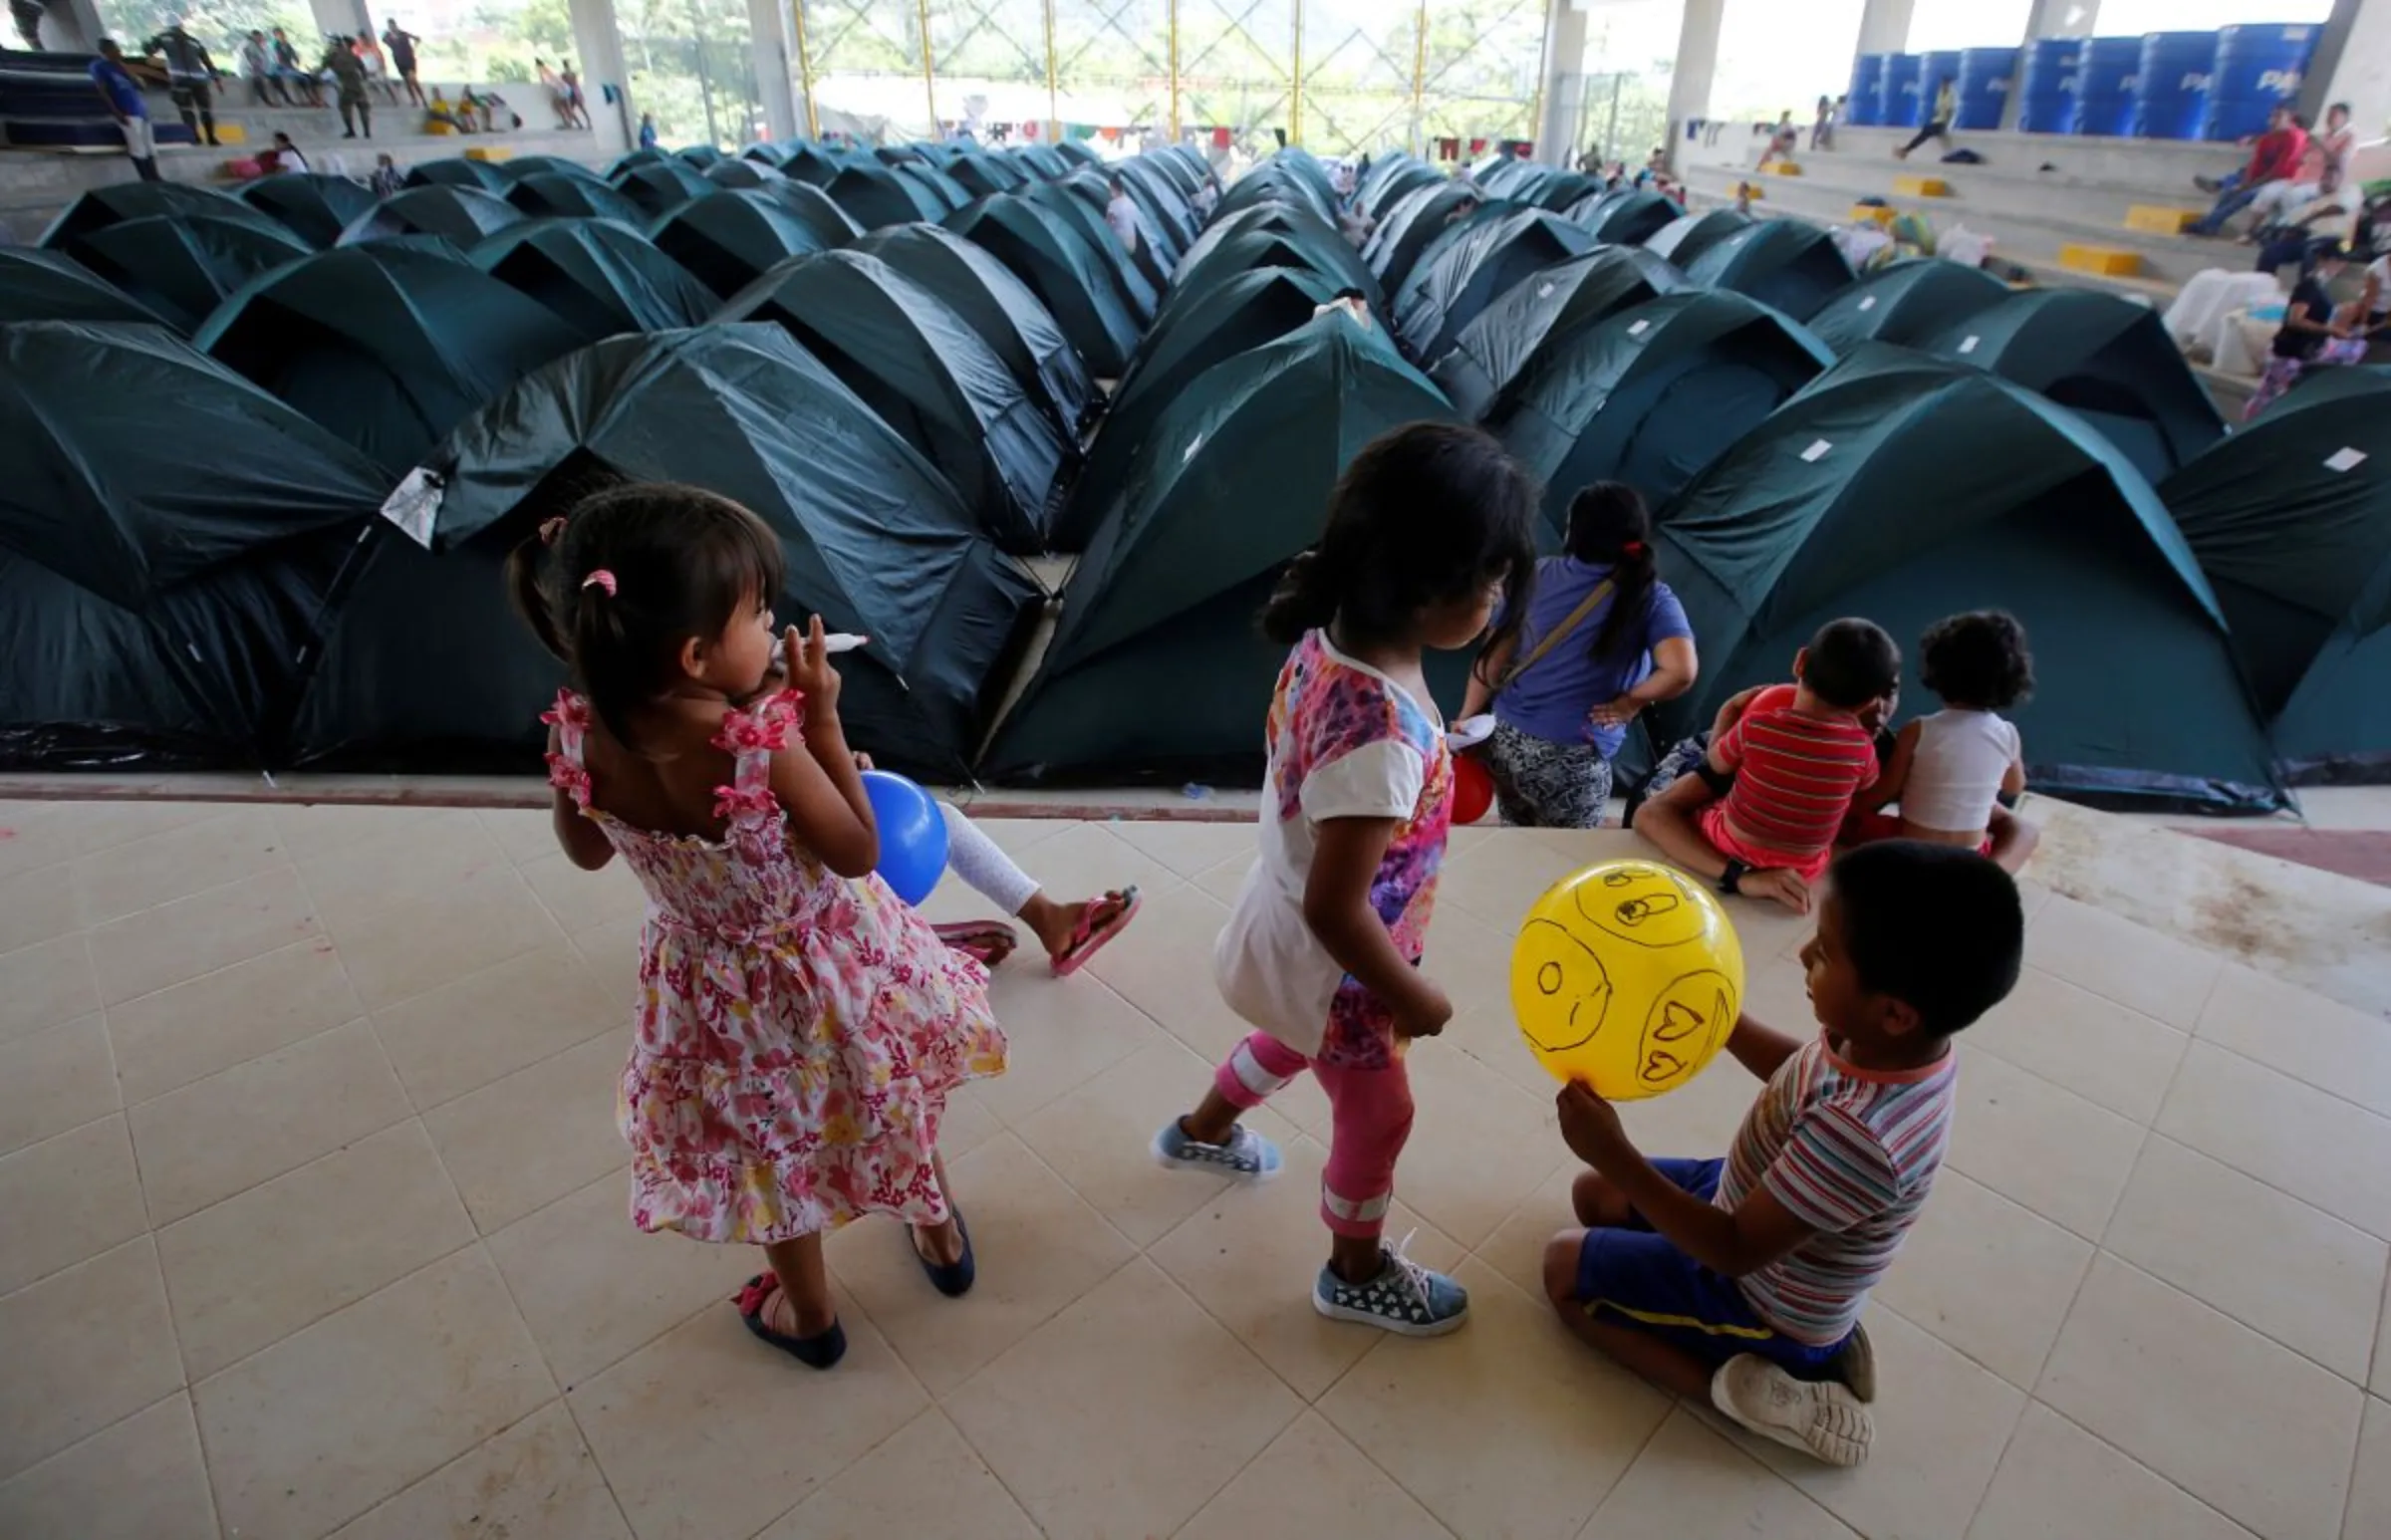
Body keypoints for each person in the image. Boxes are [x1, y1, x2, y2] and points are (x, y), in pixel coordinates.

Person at [508, 485, 1006, 1370]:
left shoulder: (579, 734)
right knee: (884, 1100)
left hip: (709, 998)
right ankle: (935, 1235)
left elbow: (586, 851)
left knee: (766, 1151)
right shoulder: (759, 745)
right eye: (761, 614)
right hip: (829, 972)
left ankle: (808, 1314)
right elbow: (856, 850)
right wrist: (820, 716)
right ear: (698, 654)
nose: (775, 627)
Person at [1154, 422, 1540, 1338]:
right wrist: (1414, 992)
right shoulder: (1383, 737)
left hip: (1287, 925)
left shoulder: (1330, 644)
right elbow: (1341, 905)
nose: (1493, 599)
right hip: (1346, 967)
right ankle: (1355, 1270)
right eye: (1489, 581)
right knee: (1381, 1114)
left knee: (1290, 1039)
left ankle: (1202, 1130)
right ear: (1429, 590)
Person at [1541, 841, 2023, 1466]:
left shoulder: (1861, 1138)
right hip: (1764, 1196)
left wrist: (1617, 1154)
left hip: (1762, 1291)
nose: (1802, 954)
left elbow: (1733, 1249)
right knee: (1591, 1196)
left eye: (1823, 953)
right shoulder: (1887, 1043)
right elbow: (1804, 1069)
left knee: (1562, 1271)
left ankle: (1746, 1388)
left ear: (1896, 1013)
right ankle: (1824, 1342)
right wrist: (1723, 1024)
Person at [1463, 482, 1698, 829]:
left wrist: (1467, 718)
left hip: (1506, 742)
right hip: (1572, 758)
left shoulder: (1536, 574)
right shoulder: (1651, 598)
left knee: (1517, 837)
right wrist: (1630, 703)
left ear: (1574, 530)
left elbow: (1492, 656)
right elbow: (1680, 671)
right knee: (1569, 860)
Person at [1631, 618, 1902, 914]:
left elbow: (1715, 763)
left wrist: (1729, 710)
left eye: (1891, 692)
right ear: (1867, 702)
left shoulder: (1757, 727)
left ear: (1800, 662)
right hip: (1803, 871)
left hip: (1729, 850)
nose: (1881, 710)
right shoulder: (1864, 752)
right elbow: (1653, 814)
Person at [1844, 612, 2038, 872]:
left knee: (1859, 827)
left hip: (1909, 852)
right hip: (1970, 857)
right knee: (2000, 835)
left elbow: (1887, 790)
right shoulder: (2007, 733)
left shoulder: (1918, 730)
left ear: (1937, 670)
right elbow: (2014, 786)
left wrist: (1845, 805)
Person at [2246, 242, 2353, 419]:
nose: (2340, 267)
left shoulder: (2320, 288)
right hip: (2291, 350)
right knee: (2269, 396)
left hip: (2305, 350)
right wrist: (2330, 330)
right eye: (2336, 261)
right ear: (2322, 260)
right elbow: (2295, 319)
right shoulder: (2309, 286)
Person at [2191, 104, 2308, 235]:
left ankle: (2207, 222)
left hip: (2282, 180)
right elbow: (2255, 164)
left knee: (2244, 196)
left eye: (2278, 116)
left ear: (2290, 118)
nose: (2273, 120)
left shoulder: (2295, 137)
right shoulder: (2268, 138)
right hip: (2262, 178)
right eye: (2272, 116)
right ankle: (2211, 224)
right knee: (2229, 193)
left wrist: (2249, 186)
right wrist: (2245, 183)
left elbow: (2279, 170)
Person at [2254, 166, 2361, 274]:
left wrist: (2311, 217)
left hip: (2342, 241)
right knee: (2270, 252)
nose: (2327, 181)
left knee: (2312, 252)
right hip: (2309, 237)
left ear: (2341, 180)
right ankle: (2265, 282)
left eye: (2331, 178)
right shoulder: (2315, 198)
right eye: (2325, 178)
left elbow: (2340, 208)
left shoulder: (2351, 191)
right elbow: (2292, 218)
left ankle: (2309, 285)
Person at [89, 40, 159, 182]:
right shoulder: (99, 67)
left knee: (149, 145)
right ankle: (146, 178)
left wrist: (128, 71)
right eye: (116, 50)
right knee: (137, 147)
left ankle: (155, 176)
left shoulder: (121, 67)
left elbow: (141, 86)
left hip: (140, 109)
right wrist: (116, 112)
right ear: (107, 51)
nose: (119, 52)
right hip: (126, 110)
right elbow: (103, 90)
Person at [141, 17, 218, 146]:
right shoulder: (194, 41)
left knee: (186, 110)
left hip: (180, 80)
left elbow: (149, 51)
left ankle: (194, 137)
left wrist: (145, 43)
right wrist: (216, 77)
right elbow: (207, 62)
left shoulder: (163, 37)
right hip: (199, 79)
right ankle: (211, 138)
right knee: (205, 109)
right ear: (181, 25)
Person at [1895, 77, 1955, 159]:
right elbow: (1937, 109)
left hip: (1942, 123)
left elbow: (1950, 111)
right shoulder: (1940, 93)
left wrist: (1947, 125)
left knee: (1925, 132)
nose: (1944, 85)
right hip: (1936, 121)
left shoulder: (1950, 95)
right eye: (1943, 84)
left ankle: (1905, 150)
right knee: (1924, 132)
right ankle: (1905, 150)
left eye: (1946, 84)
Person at [322, 35, 369, 137]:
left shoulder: (333, 56)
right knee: (362, 107)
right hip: (357, 84)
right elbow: (364, 72)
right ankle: (367, 131)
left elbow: (323, 67)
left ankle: (351, 131)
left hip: (345, 84)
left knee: (345, 108)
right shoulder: (354, 56)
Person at [239, 29, 289, 106]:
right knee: (259, 81)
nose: (260, 39)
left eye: (261, 37)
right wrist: (254, 67)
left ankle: (283, 98)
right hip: (250, 70)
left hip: (258, 70)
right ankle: (268, 101)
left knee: (274, 78)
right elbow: (248, 57)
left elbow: (263, 58)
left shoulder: (256, 45)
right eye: (259, 37)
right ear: (255, 36)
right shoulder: (249, 44)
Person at [271, 28, 319, 107]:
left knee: (309, 77)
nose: (282, 36)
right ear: (276, 36)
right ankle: (311, 99)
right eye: (279, 34)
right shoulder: (276, 46)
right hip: (282, 69)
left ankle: (314, 98)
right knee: (303, 79)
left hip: (290, 67)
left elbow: (294, 55)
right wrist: (289, 66)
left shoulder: (287, 44)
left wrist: (296, 62)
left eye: (282, 34)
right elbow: (279, 60)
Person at [382, 19, 423, 107]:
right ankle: (414, 100)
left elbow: (417, 38)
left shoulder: (403, 34)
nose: (392, 28)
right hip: (399, 61)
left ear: (395, 25)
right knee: (407, 81)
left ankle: (422, 99)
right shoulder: (388, 37)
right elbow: (383, 39)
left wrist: (413, 49)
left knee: (413, 80)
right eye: (390, 26)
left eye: (392, 25)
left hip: (409, 60)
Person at [1103, 174, 1139, 254]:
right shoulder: (1130, 202)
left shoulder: (1113, 204)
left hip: (1121, 244)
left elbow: (1106, 224)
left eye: (1111, 189)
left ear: (1114, 189)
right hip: (1132, 244)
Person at [559, 60, 590, 128]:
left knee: (570, 109)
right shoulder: (573, 74)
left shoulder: (564, 75)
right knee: (581, 108)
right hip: (576, 91)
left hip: (570, 92)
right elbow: (575, 82)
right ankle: (587, 122)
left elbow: (564, 84)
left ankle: (578, 124)